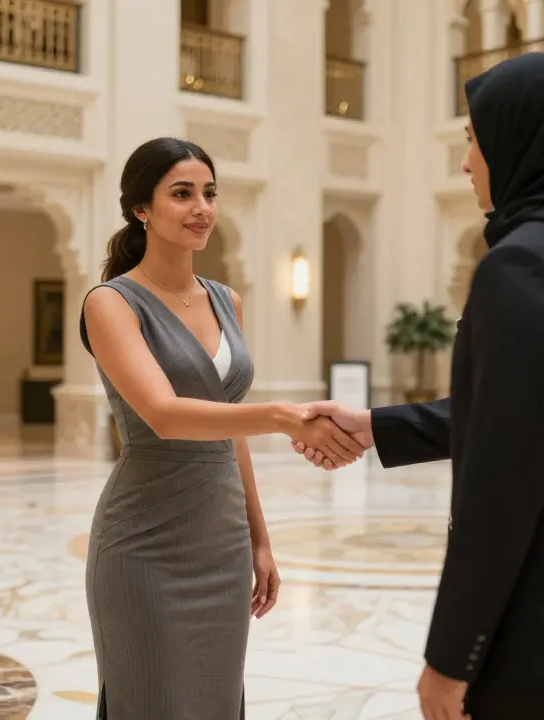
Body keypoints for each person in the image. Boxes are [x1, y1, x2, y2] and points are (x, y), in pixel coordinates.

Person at [295, 53, 544, 719]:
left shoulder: (523, 265)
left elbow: (502, 487)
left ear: (519, 141)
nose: (467, 162)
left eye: (474, 140)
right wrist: (378, 425)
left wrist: (451, 657)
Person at [80, 137, 366, 718]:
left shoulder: (225, 299)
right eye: (181, 194)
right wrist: (284, 416)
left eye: (209, 193)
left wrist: (258, 538)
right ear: (142, 209)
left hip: (223, 542)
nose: (201, 208)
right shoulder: (110, 302)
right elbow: (164, 414)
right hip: (143, 543)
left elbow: (226, 425)